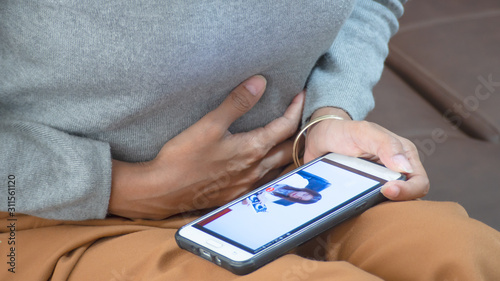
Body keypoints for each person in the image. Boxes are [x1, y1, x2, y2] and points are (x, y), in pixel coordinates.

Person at [1, 1, 499, 280]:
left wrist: (329, 112)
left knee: (468, 258)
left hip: (283, 184)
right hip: (44, 216)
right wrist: (113, 186)